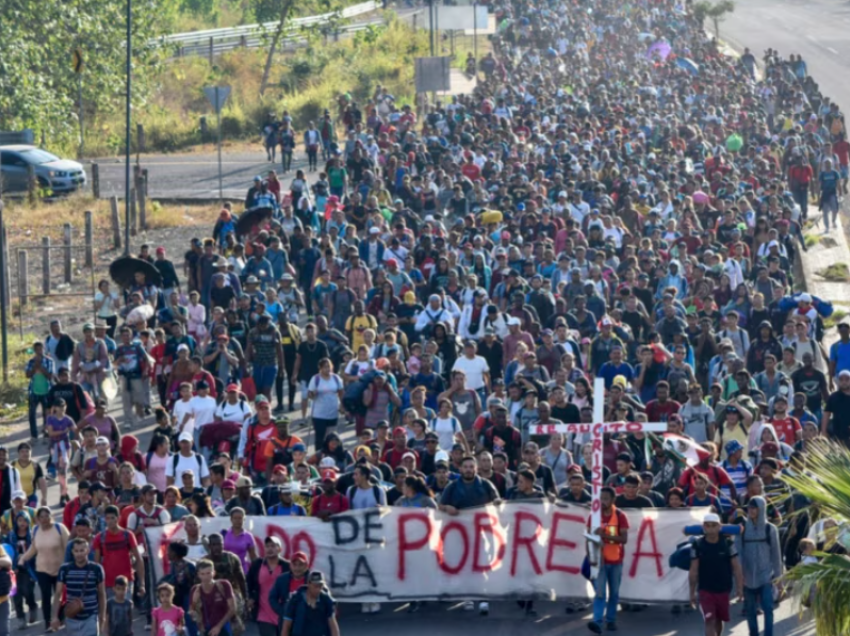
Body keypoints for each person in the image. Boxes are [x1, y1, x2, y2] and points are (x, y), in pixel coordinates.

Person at [439, 455, 499, 615]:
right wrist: (447, 508)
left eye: (471, 467)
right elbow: (440, 505)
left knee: (481, 565)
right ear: (460, 469)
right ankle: (468, 597)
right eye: (465, 467)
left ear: (476, 468)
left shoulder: (486, 484)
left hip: (481, 531)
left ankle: (484, 598)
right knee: (464, 565)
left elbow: (498, 500)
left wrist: (496, 503)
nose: (468, 469)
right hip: (459, 533)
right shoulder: (451, 487)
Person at [689, 513, 744, 636]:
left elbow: (737, 567)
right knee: (709, 621)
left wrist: (740, 588)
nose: (711, 529)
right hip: (705, 590)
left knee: (719, 620)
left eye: (714, 526)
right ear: (704, 527)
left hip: (724, 589)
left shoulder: (728, 544)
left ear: (719, 527)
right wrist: (691, 592)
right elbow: (693, 570)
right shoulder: (697, 545)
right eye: (708, 526)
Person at [19, 507, 69, 631]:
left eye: (47, 516)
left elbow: (69, 547)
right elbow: (33, 548)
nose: (45, 519)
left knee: (60, 596)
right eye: (41, 517)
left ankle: (60, 617)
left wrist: (69, 565)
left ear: (51, 516)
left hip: (60, 569)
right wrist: (23, 558)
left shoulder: (59, 528)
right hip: (42, 569)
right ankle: (48, 623)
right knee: (45, 597)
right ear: (38, 519)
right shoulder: (36, 530)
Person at [587, 486, 629, 634]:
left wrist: (604, 536)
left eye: (606, 498)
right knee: (600, 593)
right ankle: (597, 622)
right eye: (601, 498)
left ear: (613, 500)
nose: (603, 501)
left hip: (616, 561)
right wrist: (591, 557)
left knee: (614, 593)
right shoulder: (594, 516)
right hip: (599, 561)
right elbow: (589, 539)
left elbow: (624, 539)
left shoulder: (620, 515)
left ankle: (611, 620)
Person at [739, 496, 783, 636]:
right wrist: (739, 579)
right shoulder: (742, 529)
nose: (751, 510)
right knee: (751, 612)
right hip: (747, 578)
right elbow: (738, 554)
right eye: (749, 508)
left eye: (754, 508)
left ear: (762, 509)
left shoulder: (771, 529)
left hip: (765, 577)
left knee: (768, 609)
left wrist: (779, 579)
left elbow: (776, 556)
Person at [52, 537, 106, 636]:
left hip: (91, 616)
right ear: (72, 552)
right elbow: (58, 594)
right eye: (76, 551)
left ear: (88, 550)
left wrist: (102, 616)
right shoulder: (65, 569)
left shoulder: (97, 569)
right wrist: (54, 616)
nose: (79, 554)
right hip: (72, 617)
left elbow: (102, 594)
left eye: (82, 550)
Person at [281, 571, 340, 636]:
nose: (318, 589)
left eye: (320, 586)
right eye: (315, 586)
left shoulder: (326, 600)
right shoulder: (295, 599)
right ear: (309, 584)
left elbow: (332, 625)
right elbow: (286, 626)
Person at [189, 560, 238, 636]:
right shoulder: (195, 589)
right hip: (206, 629)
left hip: (224, 626)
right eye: (202, 574)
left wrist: (218, 626)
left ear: (214, 573)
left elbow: (232, 608)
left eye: (208, 573)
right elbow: (191, 613)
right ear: (198, 575)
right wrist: (195, 601)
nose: (206, 577)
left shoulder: (224, 585)